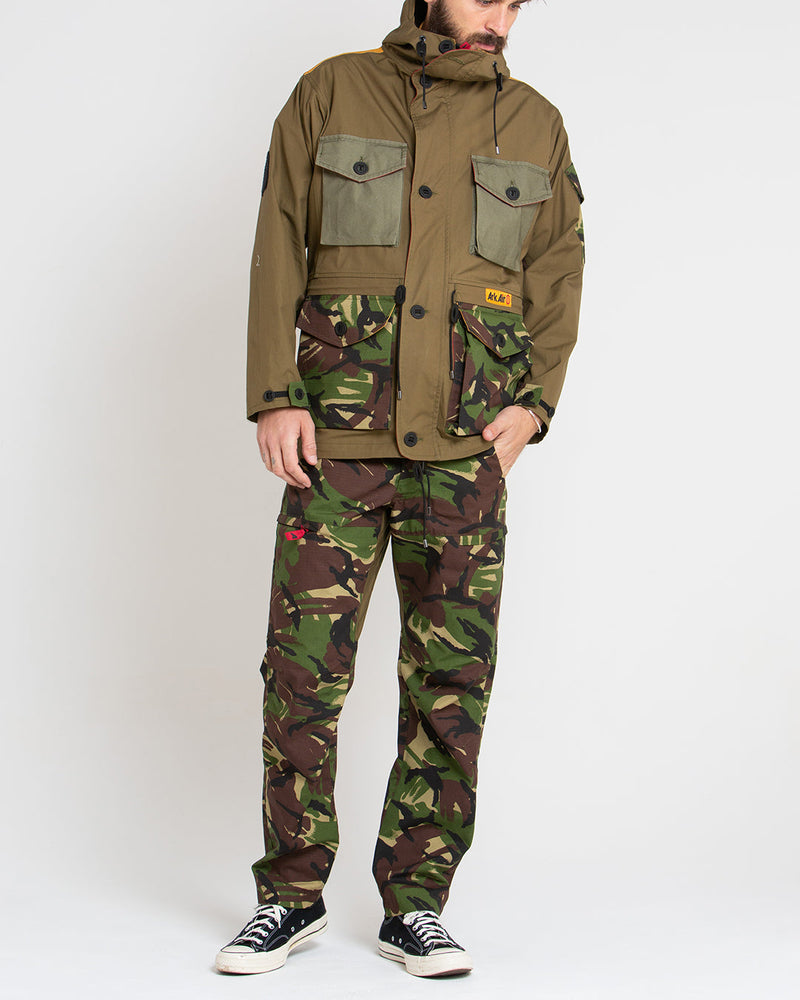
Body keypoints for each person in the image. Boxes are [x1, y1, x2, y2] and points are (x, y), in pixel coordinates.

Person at [215, 0, 584, 979]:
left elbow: (557, 267)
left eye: (516, 2)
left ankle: (414, 905)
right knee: (301, 678)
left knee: (449, 688)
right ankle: (289, 896)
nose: (502, 16)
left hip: (465, 451)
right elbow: (279, 237)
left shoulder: (534, 123)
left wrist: (535, 404)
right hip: (336, 442)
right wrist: (273, 394)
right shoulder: (330, 92)